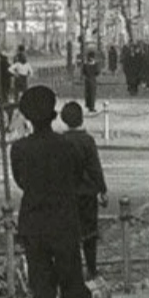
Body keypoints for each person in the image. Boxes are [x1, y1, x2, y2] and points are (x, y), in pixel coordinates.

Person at [9, 84, 115, 298]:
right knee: (74, 288)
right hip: (65, 223)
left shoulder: (18, 150)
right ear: (54, 113)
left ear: (28, 117)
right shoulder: (69, 146)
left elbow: (21, 182)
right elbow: (78, 175)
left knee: (41, 291)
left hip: (34, 225)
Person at [59, 100, 108, 279]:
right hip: (87, 193)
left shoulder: (61, 141)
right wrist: (102, 189)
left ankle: (72, 270)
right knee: (90, 234)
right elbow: (95, 166)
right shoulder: (87, 140)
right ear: (81, 119)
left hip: (67, 194)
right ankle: (92, 269)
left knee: (69, 234)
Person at [81, 49, 100, 113]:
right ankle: (92, 106)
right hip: (93, 80)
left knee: (88, 93)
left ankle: (89, 105)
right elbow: (97, 72)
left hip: (87, 80)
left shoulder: (85, 64)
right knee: (92, 93)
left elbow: (83, 72)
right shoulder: (95, 64)